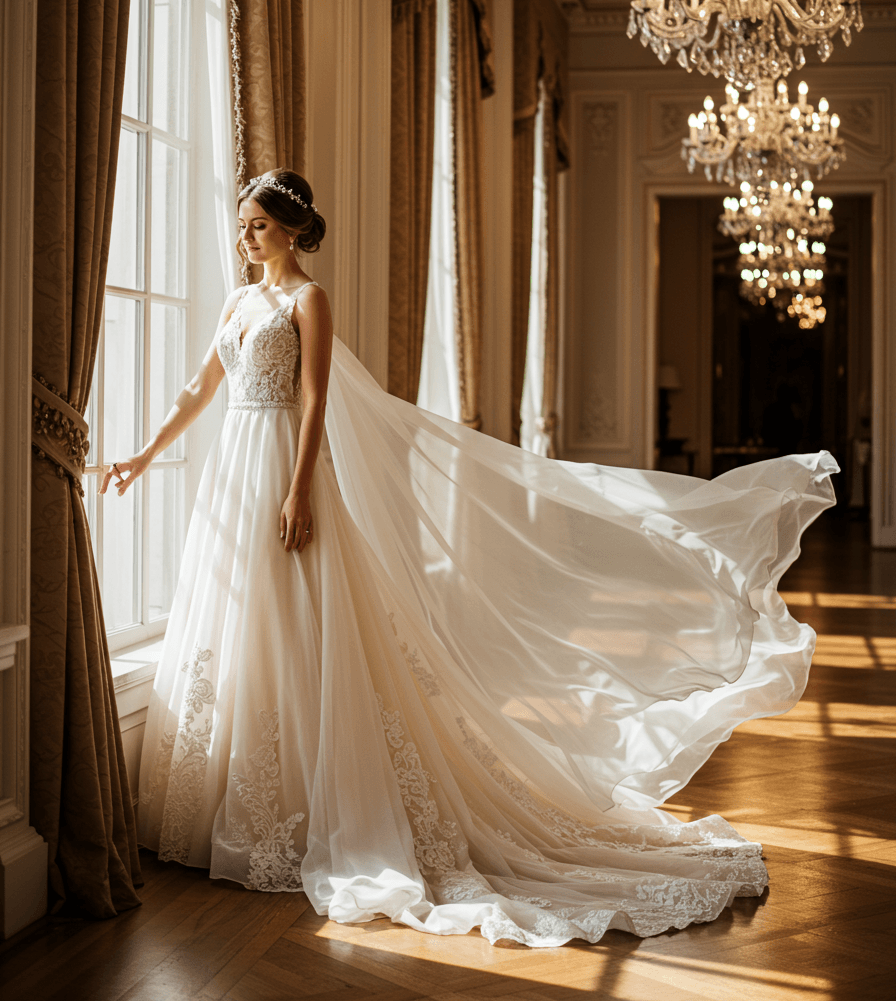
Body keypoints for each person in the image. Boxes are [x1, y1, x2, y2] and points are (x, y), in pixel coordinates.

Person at [101, 169, 837, 948]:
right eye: (242, 223)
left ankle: (312, 807)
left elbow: (315, 399)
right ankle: (238, 803)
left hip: (284, 466)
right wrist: (144, 454)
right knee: (243, 620)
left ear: (290, 229)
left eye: (257, 224)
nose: (245, 236)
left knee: (298, 621)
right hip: (233, 474)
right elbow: (200, 387)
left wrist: (299, 490)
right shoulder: (238, 302)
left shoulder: (307, 300)